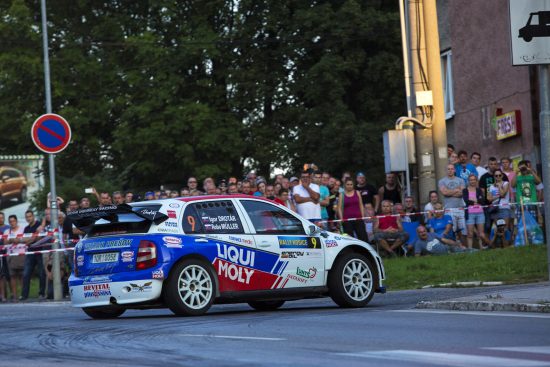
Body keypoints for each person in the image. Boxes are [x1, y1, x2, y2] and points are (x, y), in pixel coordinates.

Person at [20, 210, 45, 301]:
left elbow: (39, 237)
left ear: (33, 216)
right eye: (27, 217)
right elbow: (23, 240)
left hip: (39, 252)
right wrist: (32, 239)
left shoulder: (39, 225)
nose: (28, 218)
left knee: (42, 273)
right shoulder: (26, 228)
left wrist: (30, 239)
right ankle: (24, 295)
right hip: (30, 252)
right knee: (26, 274)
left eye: (30, 216)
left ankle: (41, 294)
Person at [438, 164, 466, 244]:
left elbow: (462, 193)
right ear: (446, 171)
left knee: (461, 229)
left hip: (460, 208)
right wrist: (456, 190)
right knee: (451, 229)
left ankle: (462, 246)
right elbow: (444, 193)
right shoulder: (442, 181)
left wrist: (449, 192)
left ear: (455, 170)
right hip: (449, 208)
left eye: (452, 169)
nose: (450, 170)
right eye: (448, 169)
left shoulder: (461, 180)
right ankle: (453, 246)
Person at [462, 174, 489, 249]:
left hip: (480, 213)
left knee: (481, 233)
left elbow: (482, 200)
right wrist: (476, 201)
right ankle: (470, 249)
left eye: (474, 179)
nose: (472, 181)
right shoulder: (465, 190)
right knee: (470, 233)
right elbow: (466, 200)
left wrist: (473, 200)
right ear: (468, 181)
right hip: (470, 214)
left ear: (476, 181)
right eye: (471, 180)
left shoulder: (479, 190)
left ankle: (481, 248)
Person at [337, 178, 368, 242]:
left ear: (353, 185)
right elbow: (339, 208)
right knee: (349, 239)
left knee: (363, 237)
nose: (349, 186)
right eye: (348, 184)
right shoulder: (341, 194)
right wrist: (341, 219)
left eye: (351, 184)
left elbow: (361, 205)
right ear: (345, 185)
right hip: (347, 220)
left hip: (358, 219)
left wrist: (362, 216)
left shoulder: (357, 192)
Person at [4, 215, 24, 302]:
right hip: (10, 255)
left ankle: (23, 295)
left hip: (21, 254)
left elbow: (22, 240)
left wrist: (14, 240)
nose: (12, 223)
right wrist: (13, 240)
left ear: (16, 221)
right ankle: (15, 296)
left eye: (13, 221)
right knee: (12, 276)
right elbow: (5, 242)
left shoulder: (22, 229)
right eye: (10, 221)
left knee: (22, 276)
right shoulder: (6, 231)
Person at [0, 212, 10, 302]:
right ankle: (3, 295)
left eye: (2, 217)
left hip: (7, 253)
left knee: (7, 275)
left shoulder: (8, 228)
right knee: (1, 276)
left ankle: (9, 295)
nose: (0, 219)